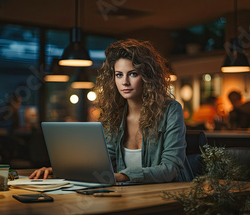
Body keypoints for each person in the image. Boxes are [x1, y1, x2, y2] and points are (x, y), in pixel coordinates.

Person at [30, 39, 193, 183]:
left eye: (133, 74)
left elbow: (171, 168)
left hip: (169, 195)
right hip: (128, 194)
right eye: (119, 75)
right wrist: (61, 170)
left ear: (147, 77)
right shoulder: (115, 114)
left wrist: (123, 177)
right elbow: (101, 162)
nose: (125, 82)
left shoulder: (171, 109)